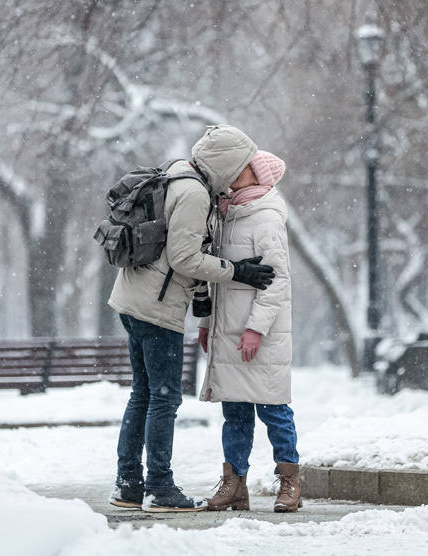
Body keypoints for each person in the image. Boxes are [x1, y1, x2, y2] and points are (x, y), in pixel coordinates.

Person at [107, 125, 275, 513]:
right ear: (227, 164)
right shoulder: (195, 193)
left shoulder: (179, 171)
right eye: (243, 167)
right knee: (163, 400)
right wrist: (236, 271)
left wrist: (201, 299)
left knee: (143, 395)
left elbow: (177, 248)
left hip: (132, 299)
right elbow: (185, 258)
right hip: (156, 309)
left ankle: (128, 484)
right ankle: (160, 489)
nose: (243, 175)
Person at [197, 150, 302, 513]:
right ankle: (234, 484)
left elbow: (276, 281)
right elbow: (217, 276)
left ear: (256, 175)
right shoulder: (226, 211)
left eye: (241, 167)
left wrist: (255, 329)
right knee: (235, 413)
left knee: (274, 410)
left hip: (261, 334)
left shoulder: (267, 217)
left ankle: (289, 483)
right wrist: (207, 323)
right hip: (227, 332)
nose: (232, 172)